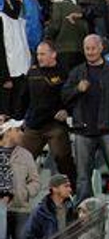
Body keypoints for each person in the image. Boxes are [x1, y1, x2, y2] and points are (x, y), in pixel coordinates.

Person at [62, 34, 109, 201]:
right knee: (83, 176)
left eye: (93, 48)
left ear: (101, 48)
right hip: (83, 130)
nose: (90, 52)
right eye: (87, 49)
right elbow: (64, 96)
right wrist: (77, 89)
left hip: (108, 129)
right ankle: (84, 213)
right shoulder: (77, 72)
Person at [21, 41, 73, 183]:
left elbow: (71, 96)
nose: (39, 57)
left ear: (53, 54)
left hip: (54, 125)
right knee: (20, 162)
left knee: (63, 159)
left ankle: (72, 191)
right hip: (34, 125)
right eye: (38, 54)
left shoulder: (64, 73)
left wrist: (67, 111)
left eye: (43, 54)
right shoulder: (32, 72)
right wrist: (16, 117)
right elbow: (23, 98)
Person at [24, 173, 75, 239]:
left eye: (69, 186)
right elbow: (28, 237)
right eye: (66, 186)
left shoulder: (71, 208)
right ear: (55, 189)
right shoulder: (41, 212)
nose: (70, 189)